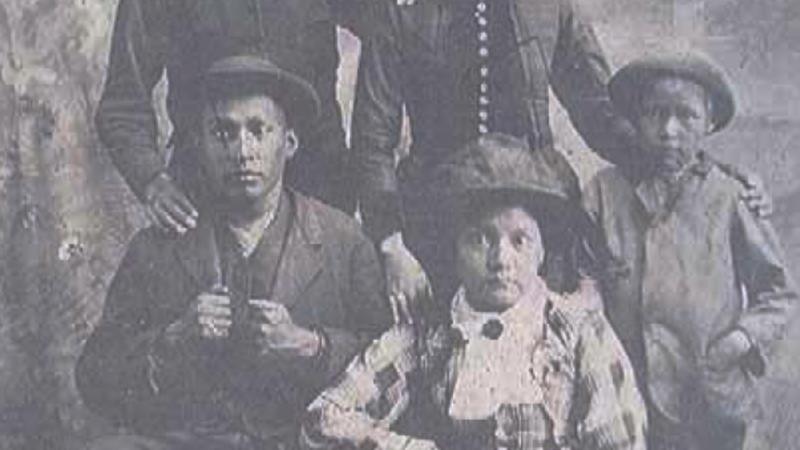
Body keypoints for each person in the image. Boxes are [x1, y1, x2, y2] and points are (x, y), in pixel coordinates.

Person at [351, 0, 774, 322]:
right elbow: (373, 139)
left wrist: (703, 169)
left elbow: (603, 113)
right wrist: (391, 245)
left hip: (537, 221)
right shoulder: (399, 10)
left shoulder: (550, 5)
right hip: (436, 227)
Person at [77, 55, 392, 450]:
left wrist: (312, 345)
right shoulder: (157, 247)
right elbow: (94, 377)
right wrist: (174, 339)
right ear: (199, 144)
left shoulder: (343, 240)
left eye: (259, 130)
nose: (243, 151)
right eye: (224, 133)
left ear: (289, 142)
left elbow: (393, 362)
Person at [301, 133, 648, 450]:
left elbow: (621, 442)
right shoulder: (428, 336)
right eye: (479, 239)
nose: (500, 260)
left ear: (542, 251)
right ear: (454, 249)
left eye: (519, 240)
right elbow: (322, 421)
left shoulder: (577, 332)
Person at [582, 53, 799, 450]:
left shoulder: (730, 196)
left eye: (686, 116)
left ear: (710, 122)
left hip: (709, 397)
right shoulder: (604, 193)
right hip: (625, 395)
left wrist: (740, 340)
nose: (669, 130)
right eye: (654, 114)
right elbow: (578, 282)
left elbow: (778, 292)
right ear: (634, 118)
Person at [96, 0, 364, 234]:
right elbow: (123, 103)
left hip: (318, 188)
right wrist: (151, 179)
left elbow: (388, 28)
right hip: (210, 200)